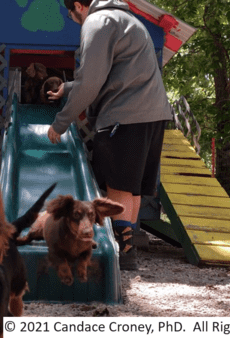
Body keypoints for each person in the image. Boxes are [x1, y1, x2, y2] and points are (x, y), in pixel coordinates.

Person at [47, 0, 172, 270]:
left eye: (71, 15)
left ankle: (121, 253)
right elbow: (113, 72)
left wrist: (60, 122)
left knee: (118, 185)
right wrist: (68, 88)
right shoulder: (128, 21)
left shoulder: (97, 22)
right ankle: (128, 251)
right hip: (153, 113)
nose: (74, 20)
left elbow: (91, 81)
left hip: (124, 114)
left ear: (79, 6)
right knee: (133, 187)